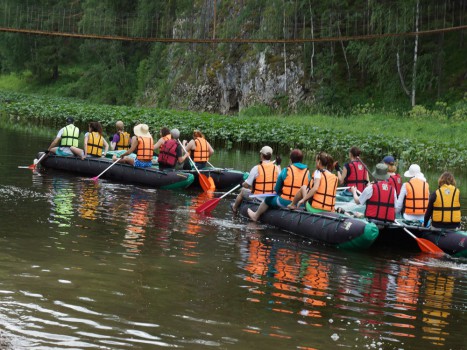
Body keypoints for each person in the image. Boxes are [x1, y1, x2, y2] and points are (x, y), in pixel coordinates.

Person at [247, 149, 311, 222]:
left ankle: (255, 216)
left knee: (268, 199)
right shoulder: (307, 172)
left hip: (285, 201)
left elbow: (276, 189)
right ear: (302, 160)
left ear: (290, 160)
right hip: (301, 204)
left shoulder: (286, 170)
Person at [231, 146, 281, 214]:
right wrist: (279, 164)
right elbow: (281, 180)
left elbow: (247, 185)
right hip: (271, 197)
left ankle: (234, 207)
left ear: (261, 156)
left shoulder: (256, 168)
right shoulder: (276, 168)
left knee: (243, 191)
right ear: (271, 156)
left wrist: (242, 183)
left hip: (258, 198)